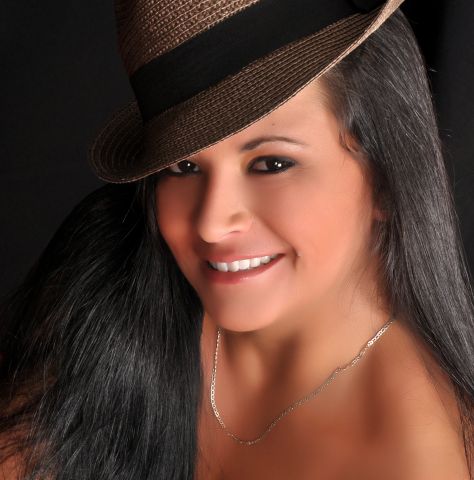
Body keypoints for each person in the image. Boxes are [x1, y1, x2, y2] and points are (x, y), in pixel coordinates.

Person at [0, 0, 473, 479]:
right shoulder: (113, 281)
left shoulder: (418, 460)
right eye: (183, 166)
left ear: (387, 178)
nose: (211, 223)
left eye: (271, 164)